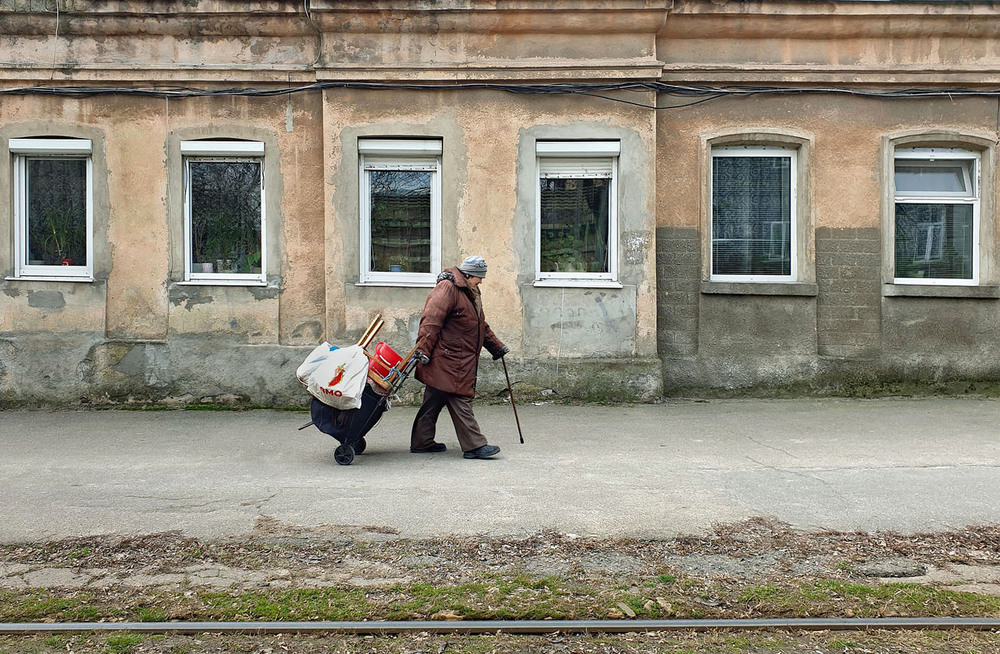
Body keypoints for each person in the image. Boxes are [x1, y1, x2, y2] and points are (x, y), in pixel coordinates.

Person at [410, 255, 509, 459]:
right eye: (479, 277)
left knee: (434, 399)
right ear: (468, 274)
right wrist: (423, 350)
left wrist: (496, 347)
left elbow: (479, 325)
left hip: (454, 358)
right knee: (459, 398)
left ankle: (422, 441)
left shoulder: (469, 291)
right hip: (448, 359)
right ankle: (474, 446)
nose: (481, 281)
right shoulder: (448, 288)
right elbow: (431, 320)